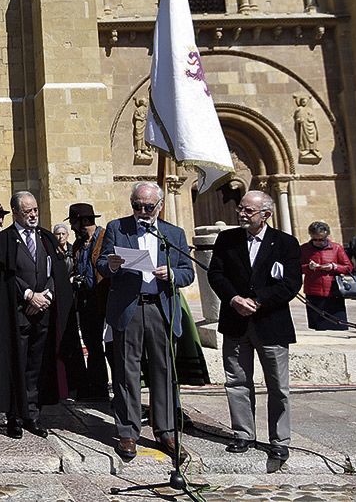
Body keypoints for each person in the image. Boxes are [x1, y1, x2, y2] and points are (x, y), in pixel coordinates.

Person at [96, 182, 195, 460]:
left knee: (164, 372)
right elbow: (102, 263)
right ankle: (127, 432)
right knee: (126, 372)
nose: (141, 211)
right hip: (129, 307)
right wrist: (112, 265)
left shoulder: (173, 233)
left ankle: (165, 431)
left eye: (147, 207)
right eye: (136, 205)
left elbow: (188, 272)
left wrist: (173, 274)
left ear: (159, 206)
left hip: (161, 308)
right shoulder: (117, 227)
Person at [206, 190, 302, 462]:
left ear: (266, 215)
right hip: (235, 322)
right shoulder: (227, 239)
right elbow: (216, 273)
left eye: (249, 211)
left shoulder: (285, 243)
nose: (241, 214)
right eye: (241, 209)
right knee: (237, 381)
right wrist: (234, 298)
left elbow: (291, 284)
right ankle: (243, 434)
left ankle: (279, 440)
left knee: (278, 386)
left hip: (271, 324)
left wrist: (258, 302)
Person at [0, 191, 62, 439]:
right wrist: (29, 295)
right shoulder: (5, 239)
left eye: (35, 210)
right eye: (27, 211)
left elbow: (57, 273)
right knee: (16, 364)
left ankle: (33, 414)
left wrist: (47, 296)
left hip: (43, 311)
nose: (33, 214)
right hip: (18, 312)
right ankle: (15, 416)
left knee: (36, 364)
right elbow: (5, 276)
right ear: (16, 213)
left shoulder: (46, 238)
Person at [67, 202, 109, 400]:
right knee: (93, 346)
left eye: (74, 223)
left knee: (111, 347)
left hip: (104, 299)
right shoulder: (78, 244)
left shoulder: (105, 238)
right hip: (85, 301)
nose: (72, 228)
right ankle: (96, 387)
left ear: (84, 221)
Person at [299, 221, 353, 331]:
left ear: (326, 236)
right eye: (315, 239)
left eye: (321, 239)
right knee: (319, 327)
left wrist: (334, 267)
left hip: (333, 291)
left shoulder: (336, 248)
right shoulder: (304, 249)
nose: (318, 242)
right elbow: (296, 268)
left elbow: (348, 268)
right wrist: (308, 267)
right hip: (314, 291)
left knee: (338, 325)